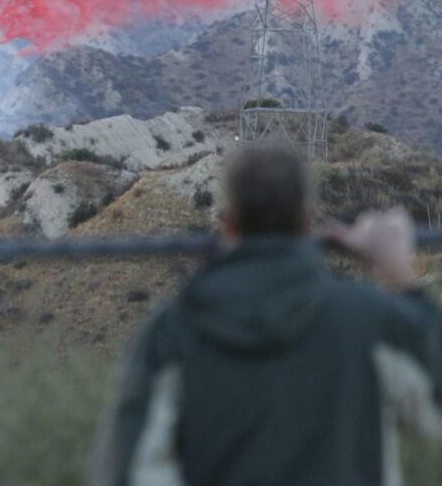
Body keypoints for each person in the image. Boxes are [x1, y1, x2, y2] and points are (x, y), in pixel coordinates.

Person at [91, 141, 442, 486]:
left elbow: (128, 473)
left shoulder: (172, 332)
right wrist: (400, 274)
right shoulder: (370, 321)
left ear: (226, 224)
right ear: (308, 222)